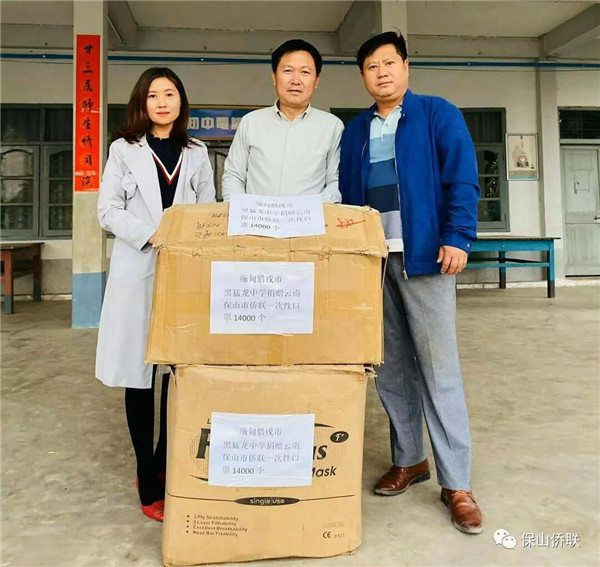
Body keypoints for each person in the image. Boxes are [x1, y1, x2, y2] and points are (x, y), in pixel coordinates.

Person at [339, 31, 483, 534]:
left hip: (427, 258)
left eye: (389, 63)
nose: (381, 72)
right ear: (363, 77)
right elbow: (345, 197)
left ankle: (457, 483)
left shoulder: (437, 114)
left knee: (439, 370)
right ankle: (410, 459)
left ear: (405, 67)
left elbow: (462, 178)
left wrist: (458, 235)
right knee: (391, 369)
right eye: (371, 66)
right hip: (373, 263)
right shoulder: (356, 131)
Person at [95, 67, 215, 522]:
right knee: (139, 371)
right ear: (141, 103)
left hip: (184, 270)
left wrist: (188, 242)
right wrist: (155, 235)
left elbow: (208, 210)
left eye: (170, 94)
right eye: (153, 95)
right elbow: (108, 209)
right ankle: (146, 473)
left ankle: (165, 460)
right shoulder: (123, 149)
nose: (162, 102)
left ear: (181, 101)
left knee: (176, 369)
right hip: (138, 266)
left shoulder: (197, 152)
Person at [221, 39, 343, 202]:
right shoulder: (251, 122)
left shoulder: (332, 126)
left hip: (310, 218)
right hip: (256, 217)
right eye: (288, 70)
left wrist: (310, 211)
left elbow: (335, 181)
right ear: (274, 77)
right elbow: (234, 175)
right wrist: (240, 210)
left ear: (316, 81)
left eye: (305, 72)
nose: (296, 80)